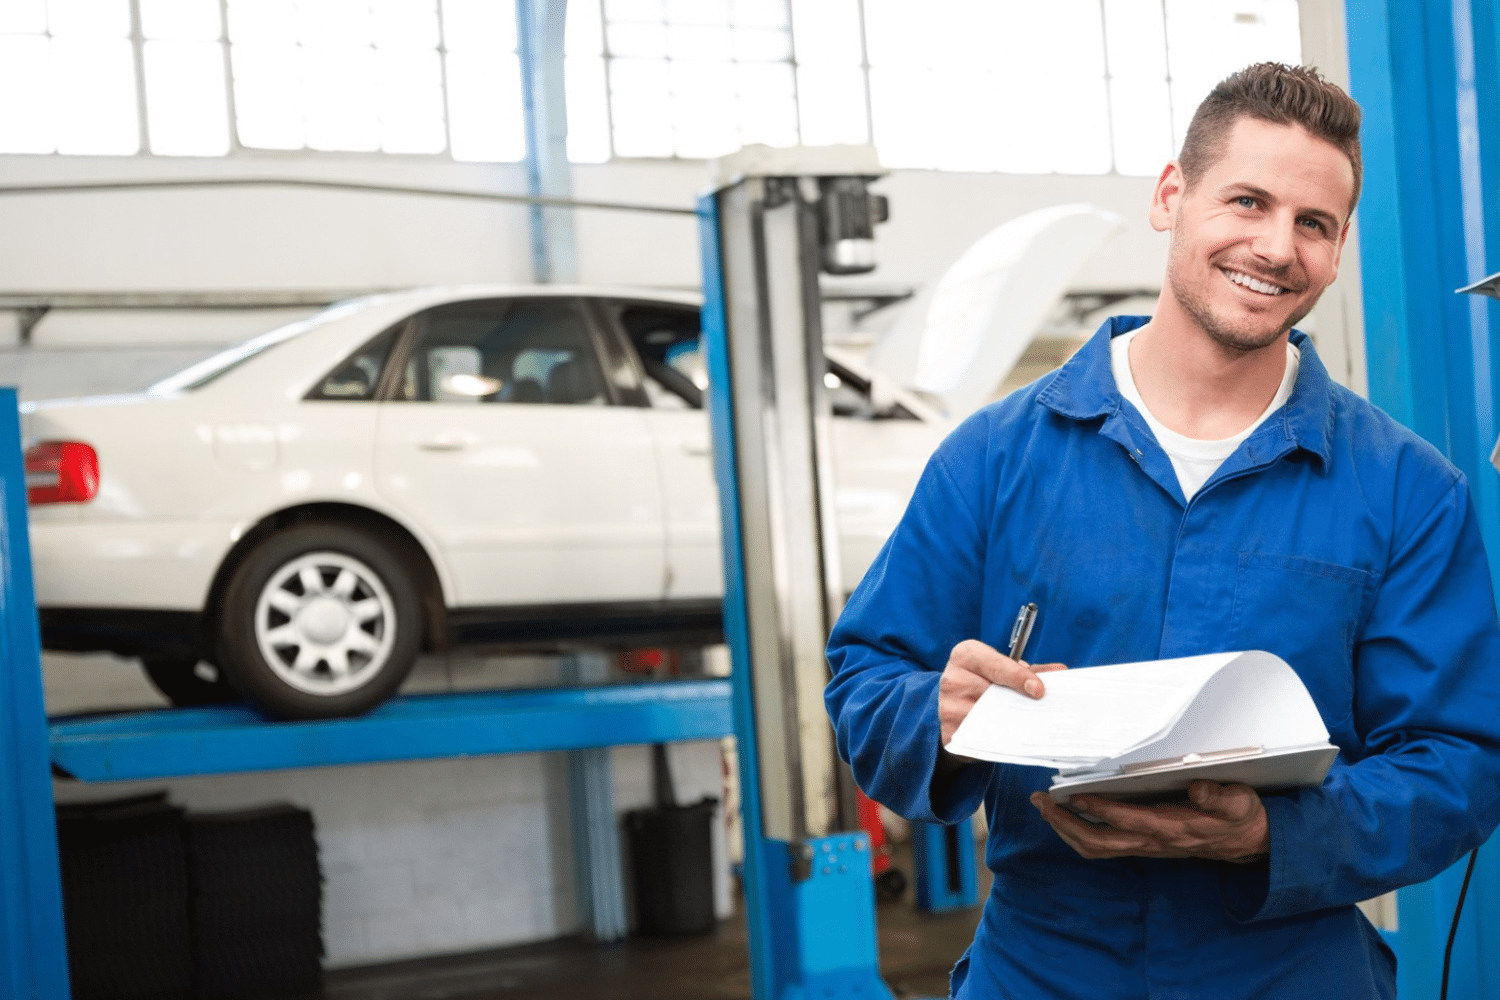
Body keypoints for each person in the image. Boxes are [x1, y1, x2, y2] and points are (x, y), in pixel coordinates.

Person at [824, 62, 1500, 1000]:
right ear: (1172, 195)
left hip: (1288, 970)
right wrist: (934, 716)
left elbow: (1458, 759)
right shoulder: (994, 458)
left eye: (1313, 224)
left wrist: (1273, 835)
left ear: (1340, 251)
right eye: (1248, 202)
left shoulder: (1407, 490)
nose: (1275, 246)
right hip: (1042, 966)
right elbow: (866, 675)